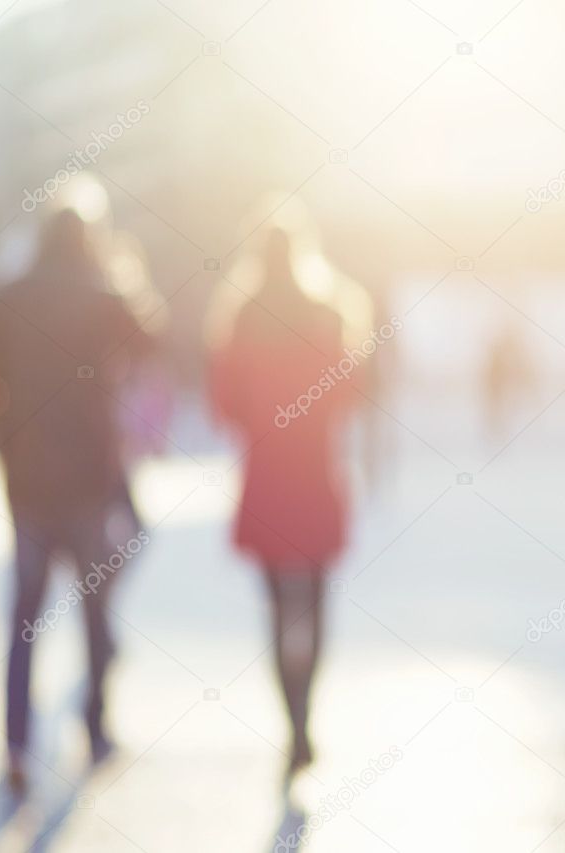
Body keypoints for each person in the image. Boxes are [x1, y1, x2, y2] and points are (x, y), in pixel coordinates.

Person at [0, 209, 152, 791]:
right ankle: (94, 725)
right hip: (90, 475)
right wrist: (123, 268)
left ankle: (16, 740)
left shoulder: (9, 297)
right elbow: (153, 337)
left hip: (30, 479)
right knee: (94, 606)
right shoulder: (103, 291)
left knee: (25, 614)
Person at [207, 223, 361, 783]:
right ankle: (305, 717)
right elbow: (352, 388)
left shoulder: (241, 317)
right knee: (316, 602)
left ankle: (292, 721)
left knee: (276, 607)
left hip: (268, 477)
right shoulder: (327, 311)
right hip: (316, 472)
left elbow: (223, 403)